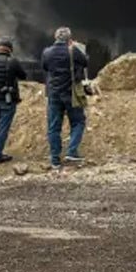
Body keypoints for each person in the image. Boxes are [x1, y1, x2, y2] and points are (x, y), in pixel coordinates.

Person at [41, 27, 88, 169]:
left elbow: (45, 67)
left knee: (54, 127)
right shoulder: (73, 50)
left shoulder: (47, 52)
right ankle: (72, 151)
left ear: (55, 37)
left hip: (54, 94)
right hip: (70, 93)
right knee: (78, 122)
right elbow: (85, 62)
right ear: (69, 38)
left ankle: (55, 160)